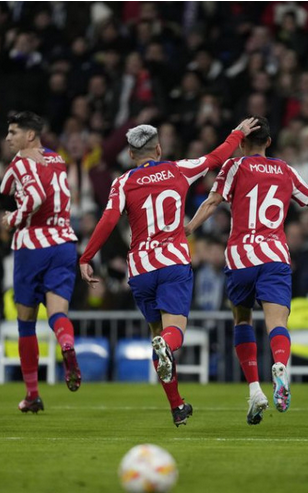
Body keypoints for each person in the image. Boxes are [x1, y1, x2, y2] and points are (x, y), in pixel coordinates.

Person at [186, 116, 308, 425]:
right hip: (275, 255)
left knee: (243, 318)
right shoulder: (285, 170)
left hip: (241, 256)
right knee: (278, 323)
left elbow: (212, 202)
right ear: (270, 143)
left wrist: (190, 228)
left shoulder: (234, 167)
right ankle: (280, 365)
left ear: (243, 141)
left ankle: (254, 389)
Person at [79, 117, 260, 427]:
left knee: (156, 336)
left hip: (140, 269)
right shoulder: (179, 169)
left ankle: (177, 406)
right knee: (171, 335)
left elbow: (108, 221)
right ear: (159, 149)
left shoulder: (122, 182)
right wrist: (237, 133)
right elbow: (217, 157)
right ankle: (168, 348)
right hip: (172, 262)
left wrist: (86, 256)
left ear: (132, 155)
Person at [0, 111, 81, 414]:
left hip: (33, 244)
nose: (8, 138)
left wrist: (12, 218)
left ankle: (32, 394)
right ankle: (68, 345)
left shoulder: (21, 162)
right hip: (64, 243)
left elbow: (32, 196)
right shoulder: (57, 159)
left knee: (26, 322)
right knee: (58, 312)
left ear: (30, 136)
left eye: (13, 132)